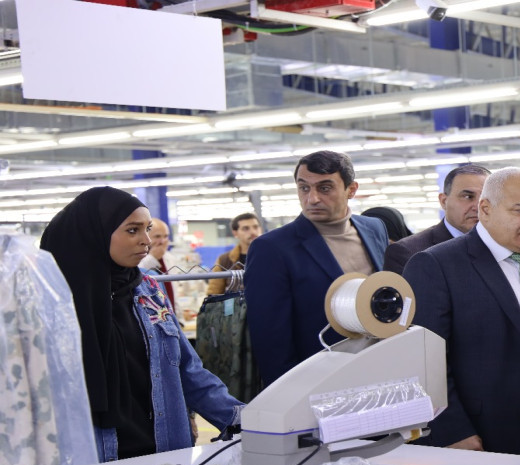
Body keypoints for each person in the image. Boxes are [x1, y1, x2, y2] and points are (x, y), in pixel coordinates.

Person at [39, 186, 243, 465]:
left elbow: (188, 370)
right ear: (96, 233)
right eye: (132, 230)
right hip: (95, 462)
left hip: (164, 457)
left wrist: (244, 419)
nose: (146, 241)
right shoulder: (51, 302)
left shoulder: (147, 289)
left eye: (147, 229)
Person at [403, 167, 520, 455]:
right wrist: (452, 430)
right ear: (485, 209)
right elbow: (422, 361)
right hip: (486, 435)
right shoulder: (436, 265)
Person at [245, 150, 388, 387]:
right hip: (319, 379)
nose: (312, 199)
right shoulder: (272, 248)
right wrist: (289, 394)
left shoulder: (374, 229)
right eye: (304, 188)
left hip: (381, 368)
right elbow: (270, 338)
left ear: (351, 190)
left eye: (325, 188)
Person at [384, 164, 489, 274]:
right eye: (468, 197)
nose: (478, 206)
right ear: (444, 201)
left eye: (485, 198)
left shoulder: (498, 245)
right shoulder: (408, 252)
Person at [206, 212, 261, 295]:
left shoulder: (272, 255)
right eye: (245, 228)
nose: (253, 232)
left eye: (255, 227)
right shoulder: (224, 260)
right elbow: (214, 292)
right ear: (235, 233)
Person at [139, 217, 179, 308]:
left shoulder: (170, 258)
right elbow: (139, 274)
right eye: (157, 236)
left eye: (165, 236)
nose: (162, 241)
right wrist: (152, 258)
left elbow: (174, 293)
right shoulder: (137, 257)